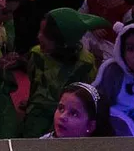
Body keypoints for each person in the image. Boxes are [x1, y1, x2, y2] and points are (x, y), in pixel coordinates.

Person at [22, 8, 108, 137]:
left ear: (63, 42)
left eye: (46, 35)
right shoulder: (36, 54)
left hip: (70, 121)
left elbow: (87, 98)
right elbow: (34, 83)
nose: (39, 36)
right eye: (40, 31)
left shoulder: (85, 64)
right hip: (36, 118)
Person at [43, 83, 113, 138]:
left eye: (74, 114)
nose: (62, 117)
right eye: (61, 108)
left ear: (90, 126)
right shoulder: (41, 145)